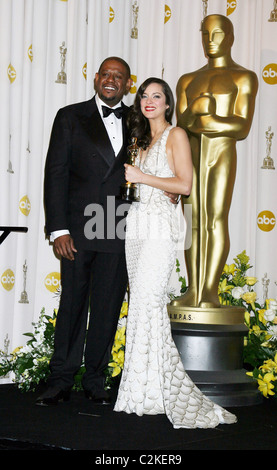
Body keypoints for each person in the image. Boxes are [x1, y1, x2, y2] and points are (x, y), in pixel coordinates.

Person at [113, 77, 237, 428]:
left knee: (150, 302)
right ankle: (142, 392)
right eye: (144, 96)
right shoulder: (142, 139)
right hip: (136, 228)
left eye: (157, 96)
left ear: (168, 103)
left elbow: (185, 184)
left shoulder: (176, 135)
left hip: (160, 230)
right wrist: (138, 178)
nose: (149, 101)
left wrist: (143, 176)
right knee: (139, 304)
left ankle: (158, 391)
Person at [37, 57, 133, 406]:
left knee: (107, 307)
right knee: (73, 304)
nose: (111, 80)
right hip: (78, 227)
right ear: (95, 78)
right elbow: (56, 174)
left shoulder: (138, 121)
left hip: (119, 226)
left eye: (118, 76)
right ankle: (61, 380)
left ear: (127, 83)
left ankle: (95, 380)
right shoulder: (70, 116)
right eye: (106, 74)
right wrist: (58, 228)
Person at [172, 14, 258, 309]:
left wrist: (205, 117)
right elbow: (179, 128)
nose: (211, 40)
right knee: (193, 223)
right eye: (205, 33)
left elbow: (242, 127)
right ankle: (193, 288)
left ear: (230, 36)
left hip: (221, 154)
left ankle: (209, 290)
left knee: (215, 219)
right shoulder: (187, 80)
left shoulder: (243, 77)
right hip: (190, 158)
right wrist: (195, 112)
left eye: (218, 33)